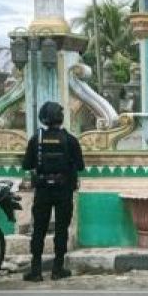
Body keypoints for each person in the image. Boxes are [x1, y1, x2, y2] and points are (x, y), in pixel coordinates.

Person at [21, 101, 85, 282]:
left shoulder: (36, 139)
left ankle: (36, 270)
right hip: (64, 190)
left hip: (42, 190)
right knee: (61, 229)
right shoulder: (70, 140)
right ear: (61, 118)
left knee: (39, 229)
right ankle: (58, 269)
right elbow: (80, 166)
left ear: (44, 118)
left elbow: (27, 165)